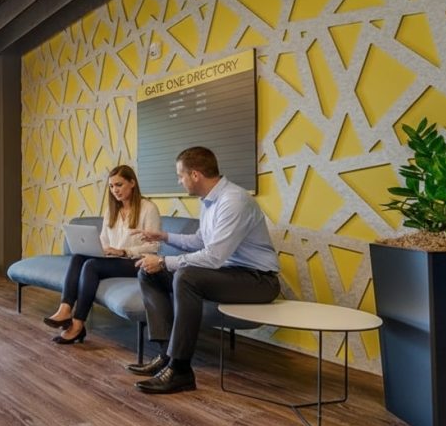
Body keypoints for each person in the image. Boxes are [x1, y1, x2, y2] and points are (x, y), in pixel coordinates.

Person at [130, 146, 280, 394]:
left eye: (181, 176)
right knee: (148, 272)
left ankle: (180, 371)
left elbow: (213, 257)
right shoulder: (209, 201)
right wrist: (163, 236)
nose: (180, 181)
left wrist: (165, 262)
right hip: (230, 274)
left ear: (195, 175)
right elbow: (200, 241)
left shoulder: (234, 201)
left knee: (186, 276)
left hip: (258, 280)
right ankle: (167, 354)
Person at [44, 165, 161, 344]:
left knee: (91, 266)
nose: (115, 190)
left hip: (136, 261)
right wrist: (100, 249)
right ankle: (65, 309)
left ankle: (77, 324)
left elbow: (154, 246)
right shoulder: (111, 211)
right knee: (78, 257)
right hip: (114, 259)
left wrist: (123, 251)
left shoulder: (148, 208)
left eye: (119, 185)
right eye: (112, 186)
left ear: (132, 183)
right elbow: (104, 240)